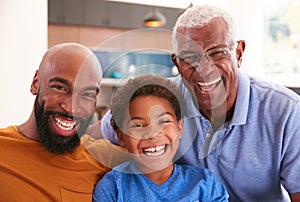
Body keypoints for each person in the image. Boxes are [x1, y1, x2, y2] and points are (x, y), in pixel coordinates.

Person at [93, 5, 300, 201]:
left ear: (238, 53)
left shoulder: (287, 112)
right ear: (177, 63)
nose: (203, 68)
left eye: (217, 52)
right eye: (189, 57)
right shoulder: (159, 100)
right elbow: (91, 137)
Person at [0, 43, 130, 201]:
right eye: (60, 88)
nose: (71, 109)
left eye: (87, 94)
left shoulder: (104, 157)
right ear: (35, 83)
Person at [93, 74, 229, 201]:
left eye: (164, 121)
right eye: (138, 125)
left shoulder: (205, 184)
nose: (152, 134)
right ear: (121, 138)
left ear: (180, 128)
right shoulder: (113, 187)